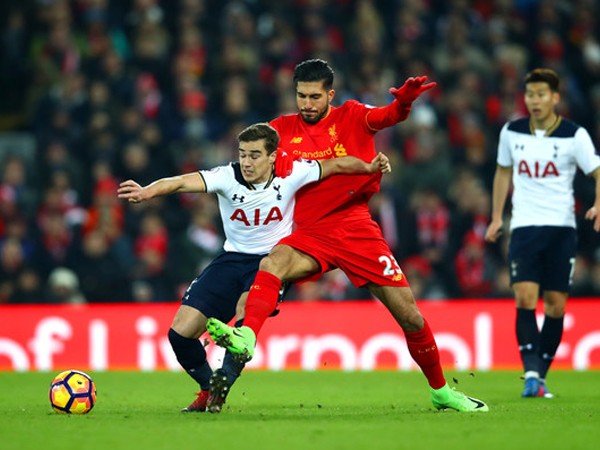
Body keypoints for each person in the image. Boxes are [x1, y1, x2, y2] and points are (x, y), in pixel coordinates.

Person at [206, 59, 489, 412]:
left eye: (314, 96)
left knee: (410, 316)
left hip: (356, 227)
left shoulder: (353, 115)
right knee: (272, 263)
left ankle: (441, 391)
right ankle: (242, 343)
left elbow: (387, 117)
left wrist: (404, 103)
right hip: (309, 230)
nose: (306, 104)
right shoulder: (280, 130)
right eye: (300, 96)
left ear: (330, 95)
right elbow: (250, 156)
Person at [117, 122, 392, 413]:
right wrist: (148, 191)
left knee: (245, 316)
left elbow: (335, 165)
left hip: (271, 263)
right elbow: (182, 182)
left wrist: (368, 165)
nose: (246, 162)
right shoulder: (226, 176)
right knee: (180, 335)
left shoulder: (293, 172)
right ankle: (209, 388)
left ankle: (224, 380)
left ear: (273, 156)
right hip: (230, 260)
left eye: (254, 155)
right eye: (243, 154)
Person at [484, 68, 600, 398]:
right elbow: (502, 172)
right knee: (524, 297)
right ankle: (531, 372)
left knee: (555, 305)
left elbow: (597, 170)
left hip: (561, 228)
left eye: (541, 95)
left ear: (555, 97)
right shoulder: (512, 131)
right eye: (530, 95)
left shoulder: (573, 135)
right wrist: (496, 217)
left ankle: (540, 376)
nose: (535, 101)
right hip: (524, 226)